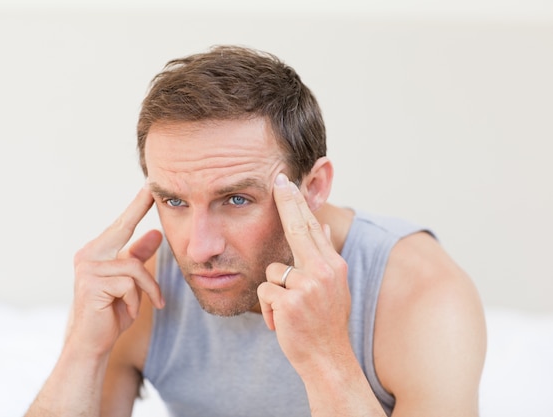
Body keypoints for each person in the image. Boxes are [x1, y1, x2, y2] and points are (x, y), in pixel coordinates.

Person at [25, 45, 487, 417]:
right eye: (175, 201)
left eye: (237, 199)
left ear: (314, 187)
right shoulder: (141, 287)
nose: (199, 248)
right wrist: (81, 352)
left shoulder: (422, 295)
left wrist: (326, 357)